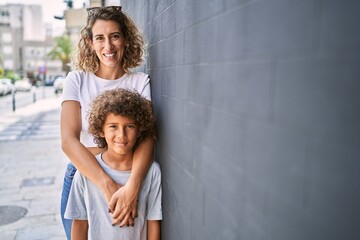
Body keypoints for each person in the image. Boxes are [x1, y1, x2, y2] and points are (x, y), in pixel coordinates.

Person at [60, 6, 155, 239]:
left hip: (129, 175)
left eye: (115, 36)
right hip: (82, 174)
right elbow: (68, 141)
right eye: (100, 38)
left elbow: (147, 138)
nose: (108, 46)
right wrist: (107, 185)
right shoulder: (76, 80)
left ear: (125, 39)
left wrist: (132, 186)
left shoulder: (139, 81)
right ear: (90, 43)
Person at [65, 88, 162, 240]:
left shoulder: (152, 172)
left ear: (139, 130)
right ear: (101, 130)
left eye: (129, 126)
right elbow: (79, 223)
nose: (121, 135)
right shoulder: (85, 174)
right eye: (113, 126)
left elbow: (153, 221)